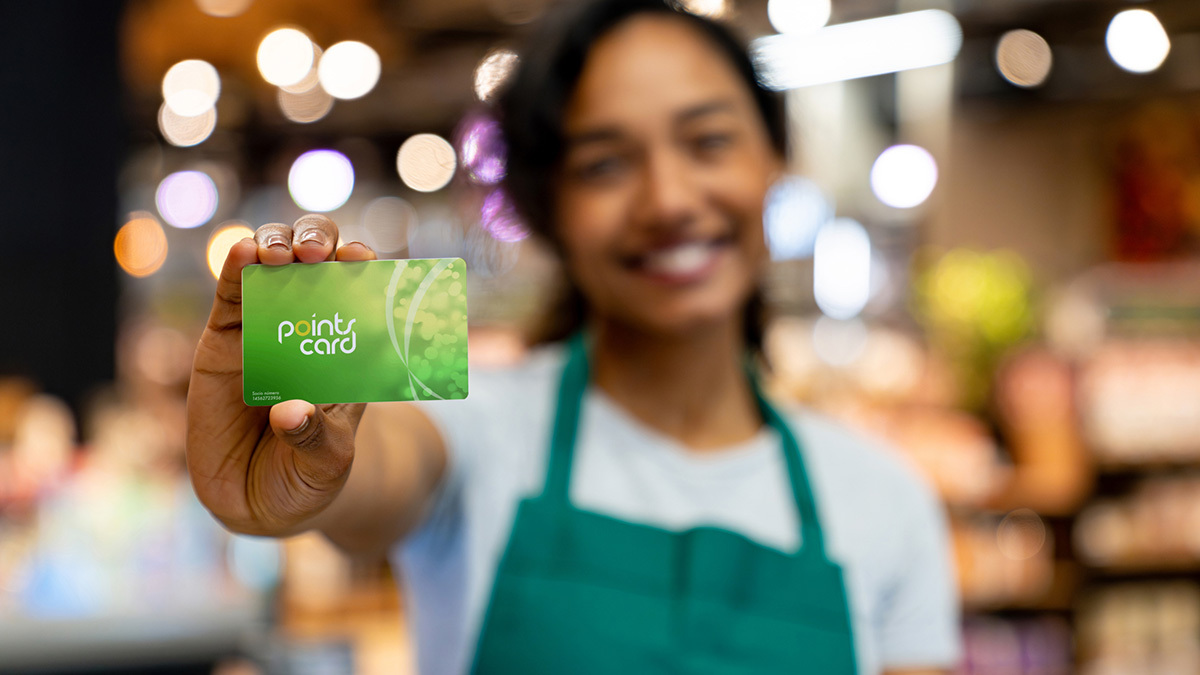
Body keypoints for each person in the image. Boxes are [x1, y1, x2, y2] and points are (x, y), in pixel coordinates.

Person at [186, 0, 961, 672]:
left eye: (708, 141)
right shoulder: (480, 428)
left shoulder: (884, 499)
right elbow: (379, 466)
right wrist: (304, 485)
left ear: (774, 162)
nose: (667, 198)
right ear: (548, 208)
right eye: (605, 163)